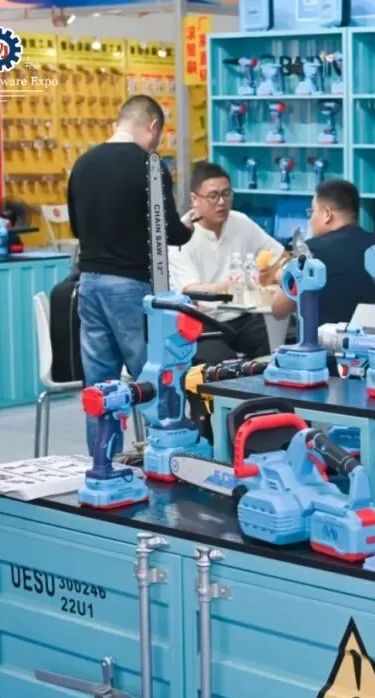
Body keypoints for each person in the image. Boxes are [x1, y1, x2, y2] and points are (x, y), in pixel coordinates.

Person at [68, 95, 194, 455]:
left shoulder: (82, 164)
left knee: (100, 389)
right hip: (130, 288)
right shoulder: (149, 165)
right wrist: (187, 226)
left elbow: (77, 228)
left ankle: (102, 467)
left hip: (89, 283)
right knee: (153, 379)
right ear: (152, 126)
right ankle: (166, 462)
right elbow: (169, 231)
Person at [169, 162, 286, 364]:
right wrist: (238, 285)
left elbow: (281, 256)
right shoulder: (180, 236)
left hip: (244, 316)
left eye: (226, 194)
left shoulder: (240, 222)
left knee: (280, 347)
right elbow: (190, 289)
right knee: (224, 365)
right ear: (194, 199)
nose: (222, 202)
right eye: (213, 196)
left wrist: (271, 277)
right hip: (205, 320)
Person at [272, 180, 375, 326]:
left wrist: (283, 280)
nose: (310, 220)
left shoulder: (309, 252)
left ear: (327, 214)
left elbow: (278, 310)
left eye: (312, 212)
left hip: (323, 339)